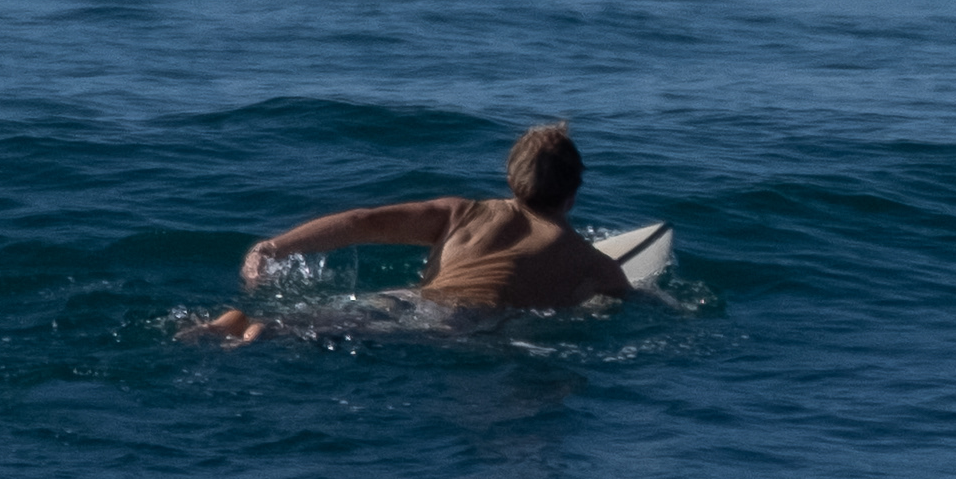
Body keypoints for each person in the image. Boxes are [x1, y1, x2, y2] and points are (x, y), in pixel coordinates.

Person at [189, 120, 635, 342]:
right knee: (317, 333)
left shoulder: (464, 213)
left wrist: (273, 247)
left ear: (510, 179)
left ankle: (237, 323)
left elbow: (361, 222)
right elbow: (623, 307)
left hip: (405, 298)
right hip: (459, 321)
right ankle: (259, 332)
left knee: (320, 320)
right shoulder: (592, 264)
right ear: (574, 192)